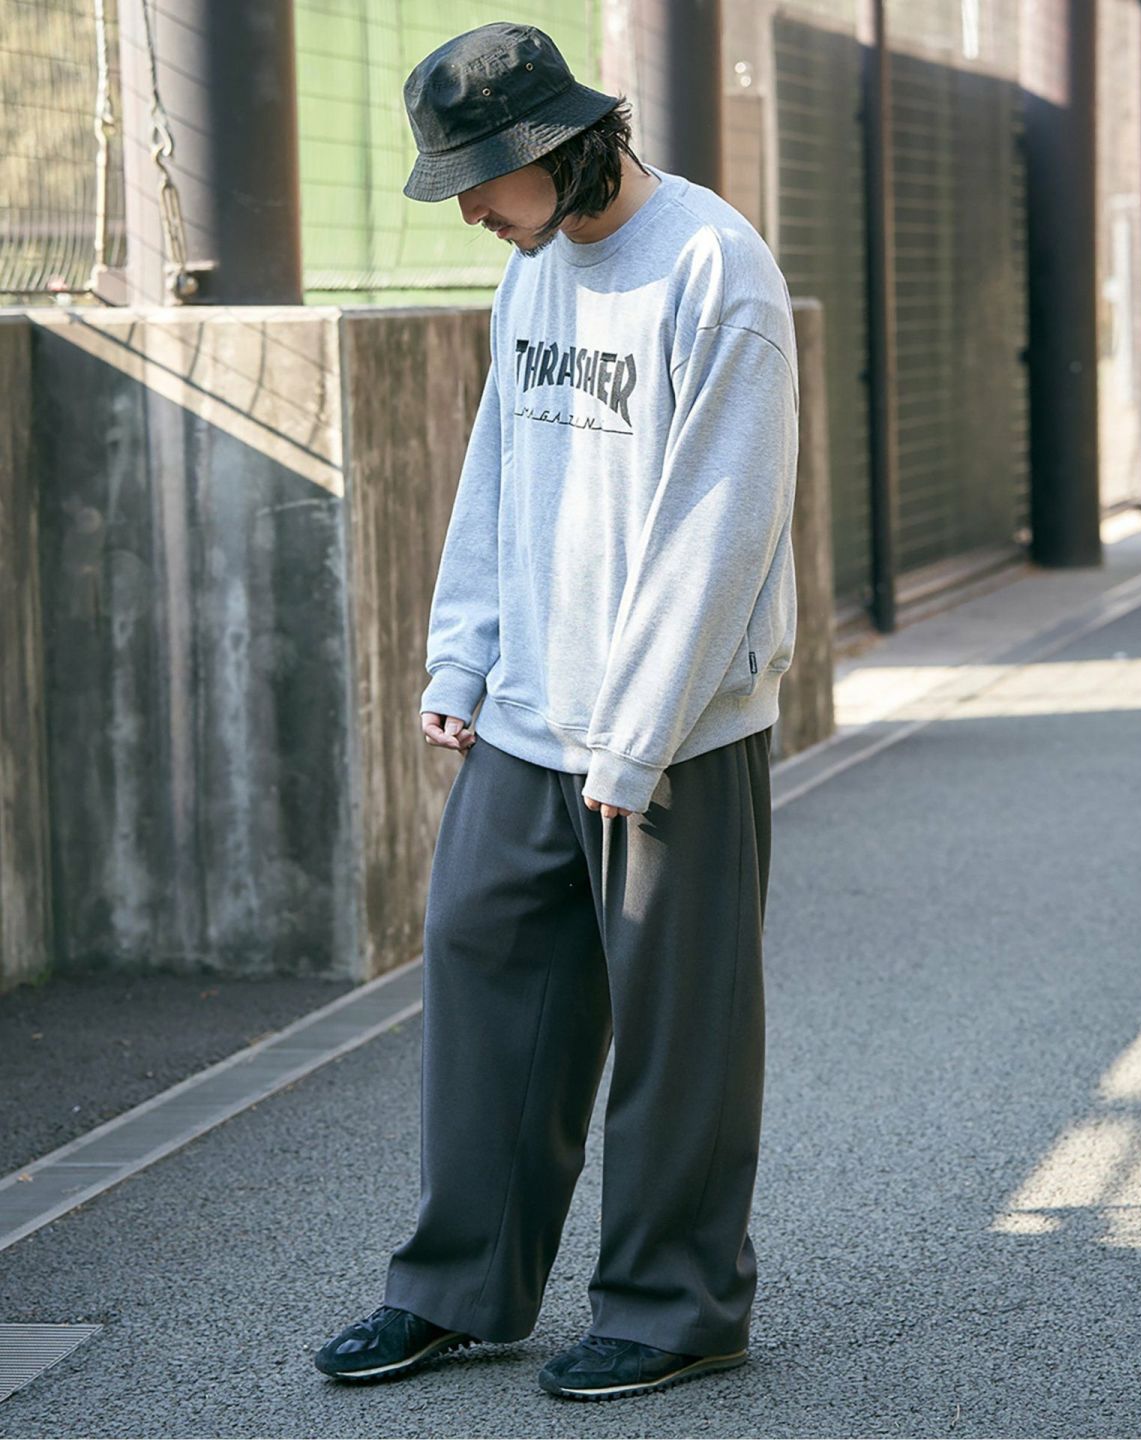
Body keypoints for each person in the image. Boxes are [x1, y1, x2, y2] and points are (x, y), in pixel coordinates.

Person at [314, 20, 799, 1403]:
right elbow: (498, 474)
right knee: (483, 973)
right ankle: (456, 1286)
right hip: (529, 715)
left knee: (677, 1032)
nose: (469, 209)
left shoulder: (713, 269)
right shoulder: (530, 272)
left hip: (673, 734)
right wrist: (459, 662)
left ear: (559, 147)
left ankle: (677, 1307)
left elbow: (722, 527)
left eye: (481, 180)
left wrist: (635, 736)